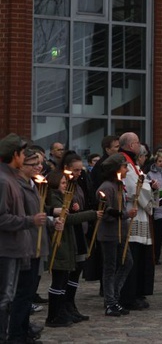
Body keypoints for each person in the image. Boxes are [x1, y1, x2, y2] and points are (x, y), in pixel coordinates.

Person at [0, 135, 46, 342]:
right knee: (6, 298)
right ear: (15, 156)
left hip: (20, 247)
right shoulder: (4, 180)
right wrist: (29, 221)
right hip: (7, 249)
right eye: (23, 154)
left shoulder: (10, 179)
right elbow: (2, 218)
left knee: (14, 296)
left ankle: (16, 334)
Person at [44, 170, 99, 327]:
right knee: (58, 281)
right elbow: (66, 219)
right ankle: (54, 315)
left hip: (67, 243)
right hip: (60, 244)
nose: (65, 185)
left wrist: (74, 208)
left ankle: (61, 311)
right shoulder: (53, 198)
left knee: (63, 281)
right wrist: (92, 214)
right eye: (62, 183)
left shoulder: (62, 197)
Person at [118, 132, 158, 311]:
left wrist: (151, 185)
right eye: (137, 142)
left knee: (140, 257)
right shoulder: (124, 161)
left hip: (140, 213)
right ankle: (128, 296)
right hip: (132, 213)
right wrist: (150, 194)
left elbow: (142, 183)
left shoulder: (133, 163)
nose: (139, 145)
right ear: (131, 144)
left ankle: (137, 293)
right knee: (132, 256)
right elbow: (135, 187)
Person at [96, 154, 137, 316]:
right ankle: (111, 301)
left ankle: (114, 297)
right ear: (116, 169)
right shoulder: (107, 187)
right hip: (109, 234)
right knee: (110, 267)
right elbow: (105, 212)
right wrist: (126, 214)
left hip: (120, 233)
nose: (127, 169)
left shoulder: (118, 186)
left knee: (127, 262)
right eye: (124, 167)